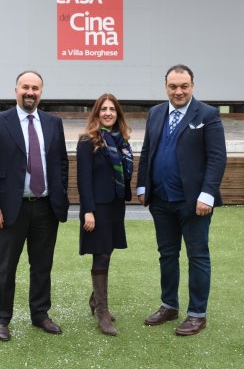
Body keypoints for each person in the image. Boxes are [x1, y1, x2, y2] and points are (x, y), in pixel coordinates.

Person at [0, 71, 70, 342]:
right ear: (16, 90)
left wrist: (60, 195)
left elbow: (61, 163)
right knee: (5, 267)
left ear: (41, 92)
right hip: (10, 209)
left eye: (35, 88)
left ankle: (40, 314)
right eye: (25, 87)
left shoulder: (53, 123)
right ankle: (0, 319)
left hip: (46, 208)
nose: (30, 92)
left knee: (42, 266)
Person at [137, 64, 227, 337]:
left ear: (192, 86)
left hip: (194, 203)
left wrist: (207, 194)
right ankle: (169, 306)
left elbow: (217, 157)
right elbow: (147, 150)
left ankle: (197, 314)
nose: (178, 91)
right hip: (160, 200)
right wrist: (142, 186)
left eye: (184, 86)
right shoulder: (155, 113)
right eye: (173, 86)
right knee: (167, 255)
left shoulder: (207, 115)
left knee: (197, 256)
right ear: (166, 87)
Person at [76, 94, 133, 336]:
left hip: (115, 206)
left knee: (107, 253)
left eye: (112, 109)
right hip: (96, 208)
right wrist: (88, 211)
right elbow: (83, 180)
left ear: (117, 114)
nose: (108, 113)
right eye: (103, 109)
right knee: (100, 256)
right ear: (96, 113)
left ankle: (95, 299)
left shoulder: (122, 141)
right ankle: (102, 312)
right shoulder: (87, 141)